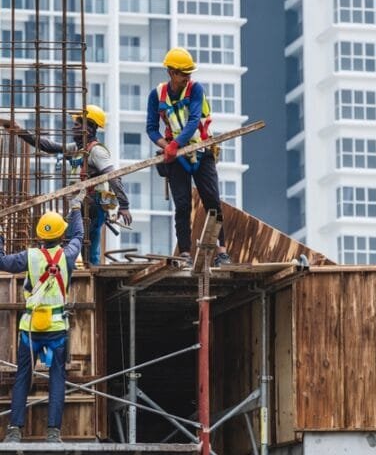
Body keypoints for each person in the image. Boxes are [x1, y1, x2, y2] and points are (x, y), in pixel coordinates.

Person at [1, 190, 85, 443]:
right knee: (57, 378)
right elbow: (78, 236)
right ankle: (53, 432)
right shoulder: (68, 256)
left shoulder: (30, 257)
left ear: (39, 234)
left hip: (30, 329)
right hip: (56, 327)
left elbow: (2, 262)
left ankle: (14, 431)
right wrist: (75, 210)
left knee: (22, 378)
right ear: (60, 234)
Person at [0, 105, 132, 265]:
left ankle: (93, 273)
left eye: (78, 124)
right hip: (80, 204)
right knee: (78, 241)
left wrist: (124, 205)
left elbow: (113, 176)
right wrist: (19, 131)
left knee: (88, 244)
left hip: (93, 204)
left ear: (90, 128)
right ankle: (87, 268)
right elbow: (47, 146)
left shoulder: (97, 151)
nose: (73, 127)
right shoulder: (77, 148)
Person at [146, 47, 230, 266]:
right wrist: (166, 146)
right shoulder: (157, 96)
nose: (187, 78)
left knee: (212, 201)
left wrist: (175, 144)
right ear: (172, 72)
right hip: (177, 158)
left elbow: (194, 120)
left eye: (189, 73)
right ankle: (185, 253)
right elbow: (151, 129)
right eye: (183, 73)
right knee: (182, 205)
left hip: (202, 151)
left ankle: (222, 252)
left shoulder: (195, 89)